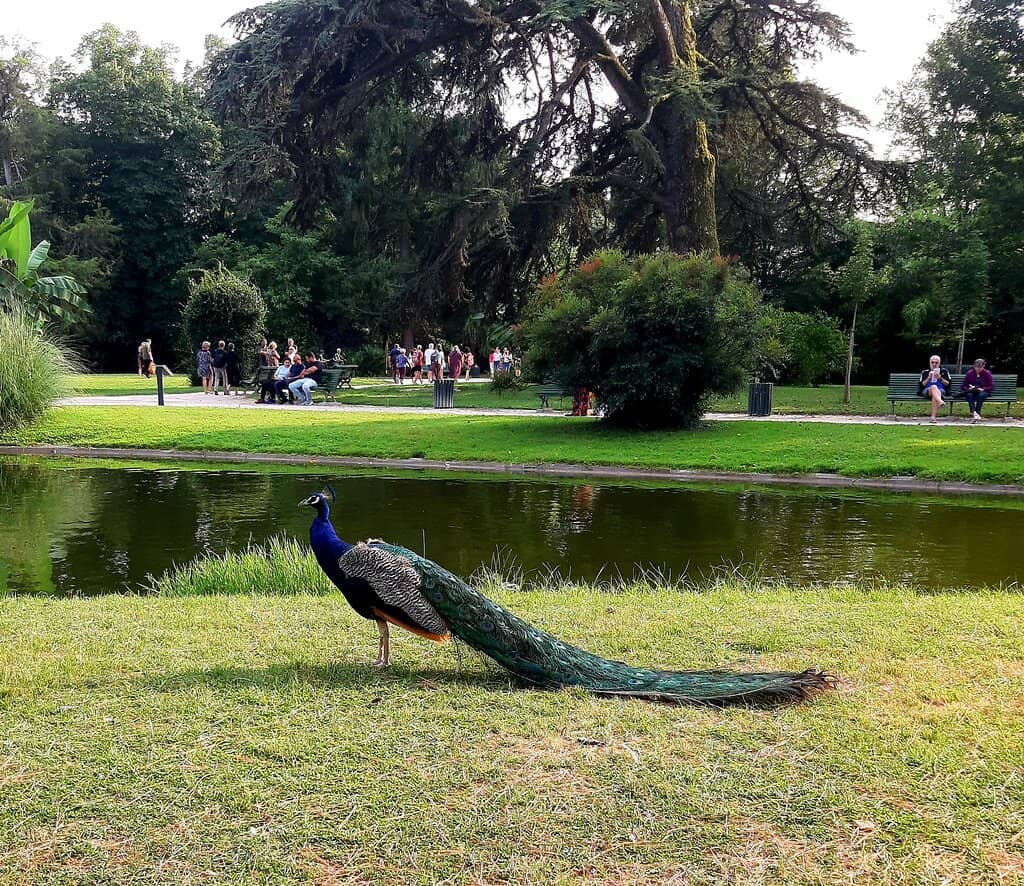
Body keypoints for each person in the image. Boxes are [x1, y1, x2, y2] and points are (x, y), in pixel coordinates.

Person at [919, 354, 951, 422]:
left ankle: (933, 418)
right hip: (927, 390)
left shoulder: (944, 371)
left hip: (940, 391)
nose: (934, 364)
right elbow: (922, 385)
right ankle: (940, 401)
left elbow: (948, 384)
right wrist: (928, 378)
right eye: (932, 362)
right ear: (930, 363)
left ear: (939, 363)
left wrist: (940, 378)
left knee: (935, 395)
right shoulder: (925, 372)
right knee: (933, 387)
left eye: (936, 362)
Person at [961, 358, 994, 422]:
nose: (978, 369)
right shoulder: (970, 373)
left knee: (980, 395)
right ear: (974, 366)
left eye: (980, 367)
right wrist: (969, 388)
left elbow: (991, 386)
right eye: (976, 367)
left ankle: (977, 412)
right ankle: (974, 413)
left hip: (983, 391)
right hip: (972, 391)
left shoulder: (987, 373)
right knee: (969, 395)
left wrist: (983, 389)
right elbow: (964, 386)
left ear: (983, 366)